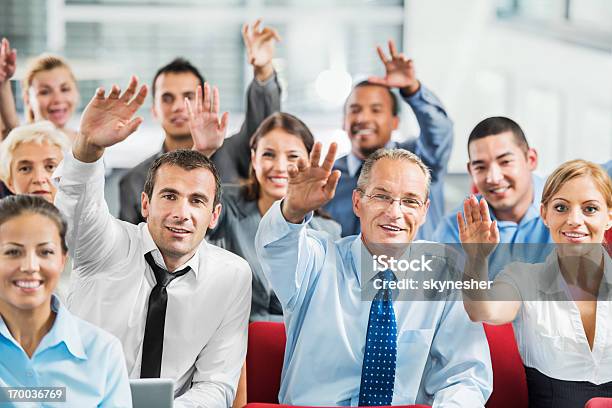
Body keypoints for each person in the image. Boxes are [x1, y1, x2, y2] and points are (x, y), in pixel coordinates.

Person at [54, 76, 251, 407]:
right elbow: (76, 214)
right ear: (145, 204)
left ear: (214, 215)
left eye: (197, 201)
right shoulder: (107, 244)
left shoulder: (232, 275)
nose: (181, 213)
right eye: (169, 196)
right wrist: (88, 149)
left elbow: (216, 384)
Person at [255, 145, 492, 406]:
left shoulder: (444, 275)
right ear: (358, 202)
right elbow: (276, 245)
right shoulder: (317, 259)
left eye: (410, 201)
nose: (395, 212)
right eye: (381, 196)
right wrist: (292, 209)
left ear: (424, 212)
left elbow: (465, 377)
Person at [460, 159, 612, 408]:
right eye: (561, 208)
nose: (574, 220)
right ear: (544, 214)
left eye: (590, 209)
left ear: (609, 218)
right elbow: (482, 309)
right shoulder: (523, 278)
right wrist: (476, 258)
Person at [119, 20, 282, 224]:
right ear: (154, 110)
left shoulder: (232, 153)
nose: (178, 106)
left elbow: (263, 126)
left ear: (204, 102)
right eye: (167, 98)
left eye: (188, 96)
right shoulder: (134, 182)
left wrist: (263, 71)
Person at [207, 112, 341, 322]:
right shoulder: (223, 203)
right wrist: (203, 152)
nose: (279, 167)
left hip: (294, 347)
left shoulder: (328, 230)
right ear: (253, 158)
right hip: (229, 339)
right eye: (268, 154)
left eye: (293, 156)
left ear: (309, 161)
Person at [0, 195, 131, 407]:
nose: (30, 266)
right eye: (13, 252)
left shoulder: (103, 351)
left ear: (62, 261)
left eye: (45, 252)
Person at [324, 40, 453, 240]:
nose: (363, 118)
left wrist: (413, 89)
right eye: (355, 110)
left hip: (419, 270)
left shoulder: (420, 161)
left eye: (376, 110)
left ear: (395, 122)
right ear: (343, 121)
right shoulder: (330, 178)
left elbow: (440, 131)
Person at [434, 116, 552, 277]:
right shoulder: (454, 228)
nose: (493, 178)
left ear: (530, 159)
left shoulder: (569, 207)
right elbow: (440, 294)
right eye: (481, 167)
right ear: (471, 171)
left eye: (505, 162)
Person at [0, 121, 72, 300]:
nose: (40, 178)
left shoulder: (88, 232)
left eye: (50, 167)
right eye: (25, 169)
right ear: (9, 181)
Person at [0, 38, 80, 142]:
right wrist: (3, 83)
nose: (58, 99)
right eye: (45, 92)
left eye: (65, 89)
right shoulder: (24, 140)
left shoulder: (88, 143)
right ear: (27, 98)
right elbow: (11, 130)